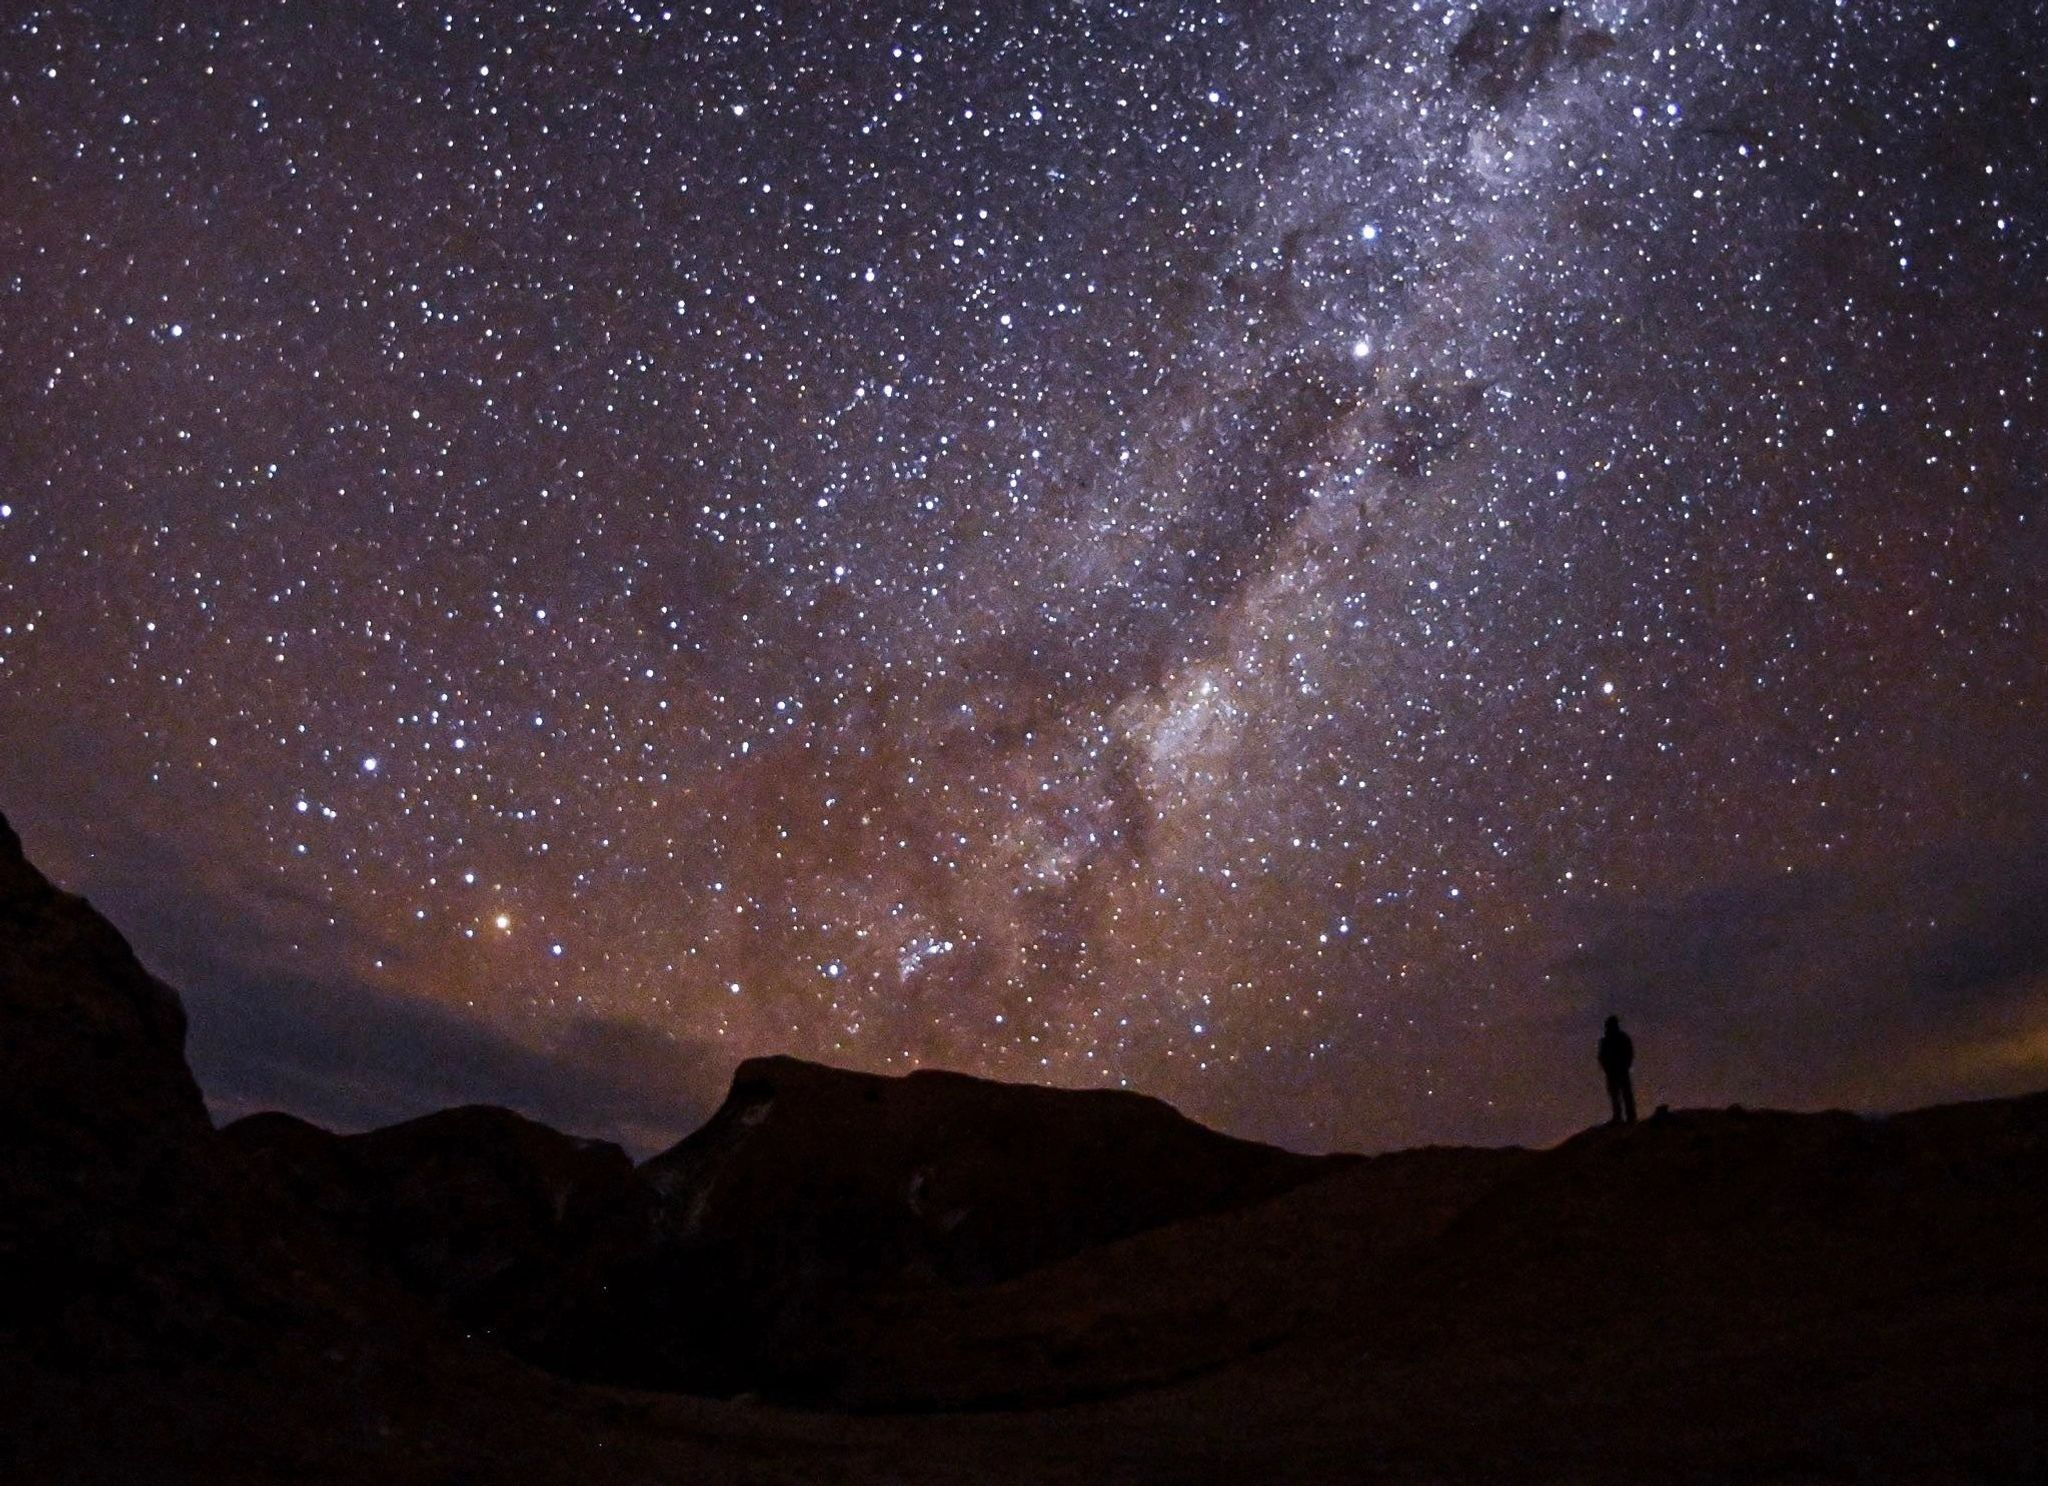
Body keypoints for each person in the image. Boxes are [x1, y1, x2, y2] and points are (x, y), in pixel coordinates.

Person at [1597, 1014, 1636, 1125]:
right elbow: (1602, 1056)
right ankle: (1620, 1116)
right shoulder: (1607, 1040)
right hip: (1613, 1072)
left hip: (1620, 1070)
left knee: (1624, 1094)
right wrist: (1607, 1068)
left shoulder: (1620, 1038)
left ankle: (1629, 1117)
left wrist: (1625, 1065)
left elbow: (1629, 1053)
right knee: (1616, 1095)